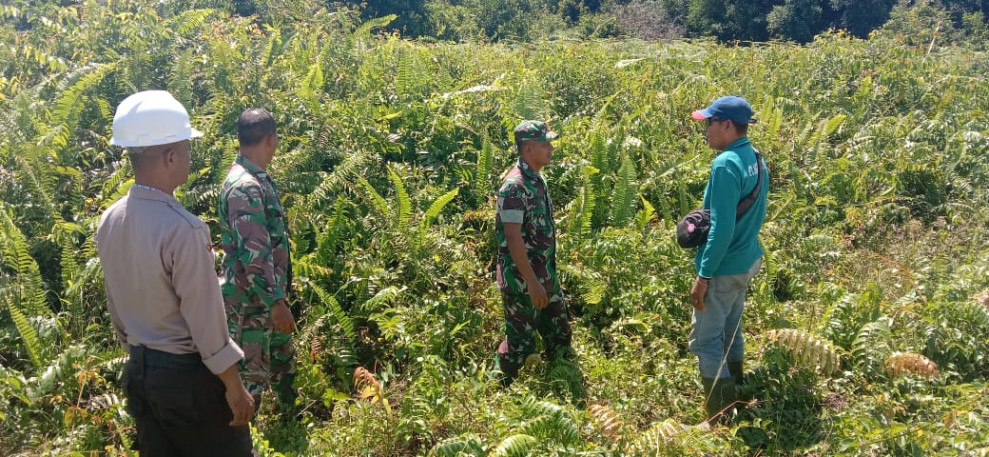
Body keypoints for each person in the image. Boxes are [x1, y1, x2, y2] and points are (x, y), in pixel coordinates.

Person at [96, 90, 255, 456]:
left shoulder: (110, 219)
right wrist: (233, 385)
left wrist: (140, 355)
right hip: (187, 380)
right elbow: (205, 323)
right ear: (170, 156)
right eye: (186, 148)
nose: (188, 157)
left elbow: (116, 304)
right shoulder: (183, 229)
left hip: (140, 370)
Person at [687, 95, 769, 424]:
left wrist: (703, 275)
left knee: (706, 340)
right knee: (732, 333)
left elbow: (720, 228)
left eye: (710, 123)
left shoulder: (725, 164)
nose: (706, 130)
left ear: (727, 125)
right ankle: (737, 391)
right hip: (747, 259)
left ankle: (720, 418)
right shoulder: (755, 157)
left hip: (723, 267)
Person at [218, 108, 297, 414]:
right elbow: (255, 254)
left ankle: (292, 422)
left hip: (268, 299)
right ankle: (245, 442)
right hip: (253, 305)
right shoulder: (245, 187)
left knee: (283, 361)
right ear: (271, 138)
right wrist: (275, 301)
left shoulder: (253, 179)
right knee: (251, 380)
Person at [494, 120, 574, 387]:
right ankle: (502, 392)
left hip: (545, 276)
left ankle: (561, 384)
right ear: (528, 149)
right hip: (522, 283)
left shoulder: (537, 179)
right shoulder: (514, 187)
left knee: (560, 337)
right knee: (519, 349)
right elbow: (513, 239)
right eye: (544, 144)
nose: (551, 148)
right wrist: (531, 282)